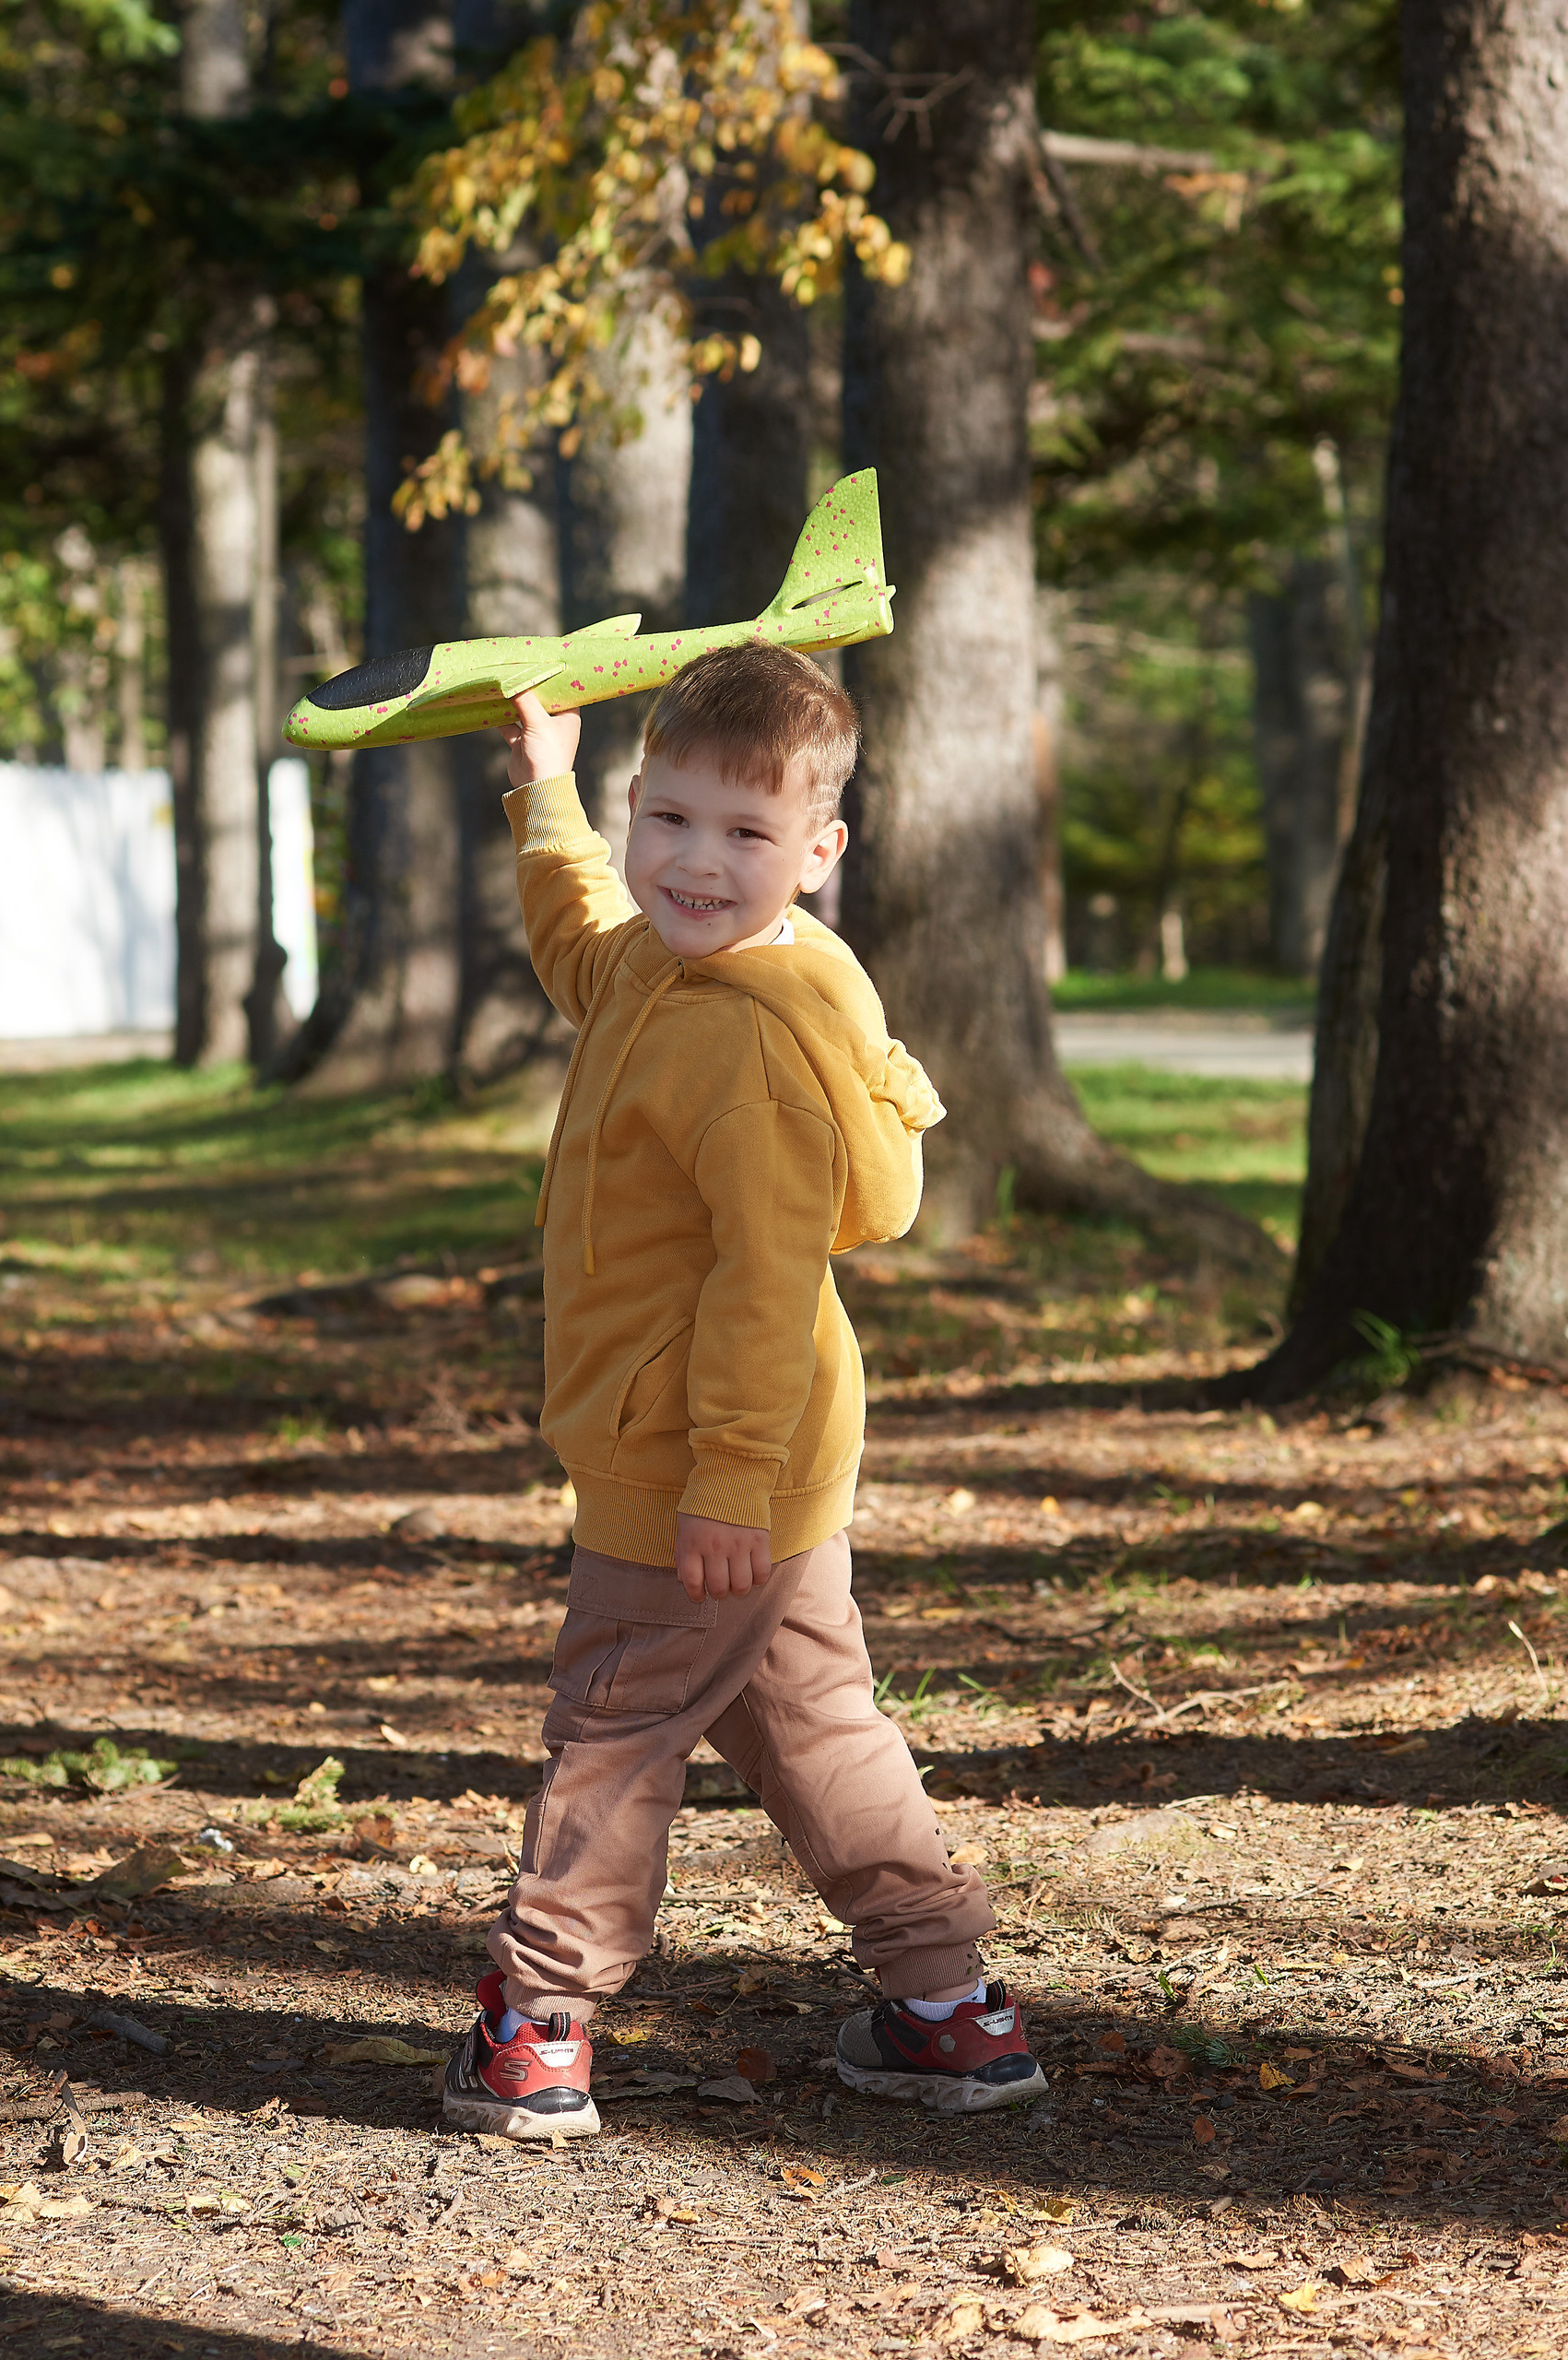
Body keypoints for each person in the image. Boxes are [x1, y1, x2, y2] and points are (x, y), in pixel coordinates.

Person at [440, 642, 1047, 2139]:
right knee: (815, 1725)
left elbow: (765, 1290)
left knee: (618, 1734)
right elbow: (587, 945)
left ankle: (542, 2028)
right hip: (764, 1470)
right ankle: (945, 2009)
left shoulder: (749, 1056)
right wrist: (548, 799)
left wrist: (718, 1483)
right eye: (672, 822)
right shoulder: (669, 961)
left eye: (747, 835)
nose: (696, 865)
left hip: (702, 1461)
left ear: (820, 852)